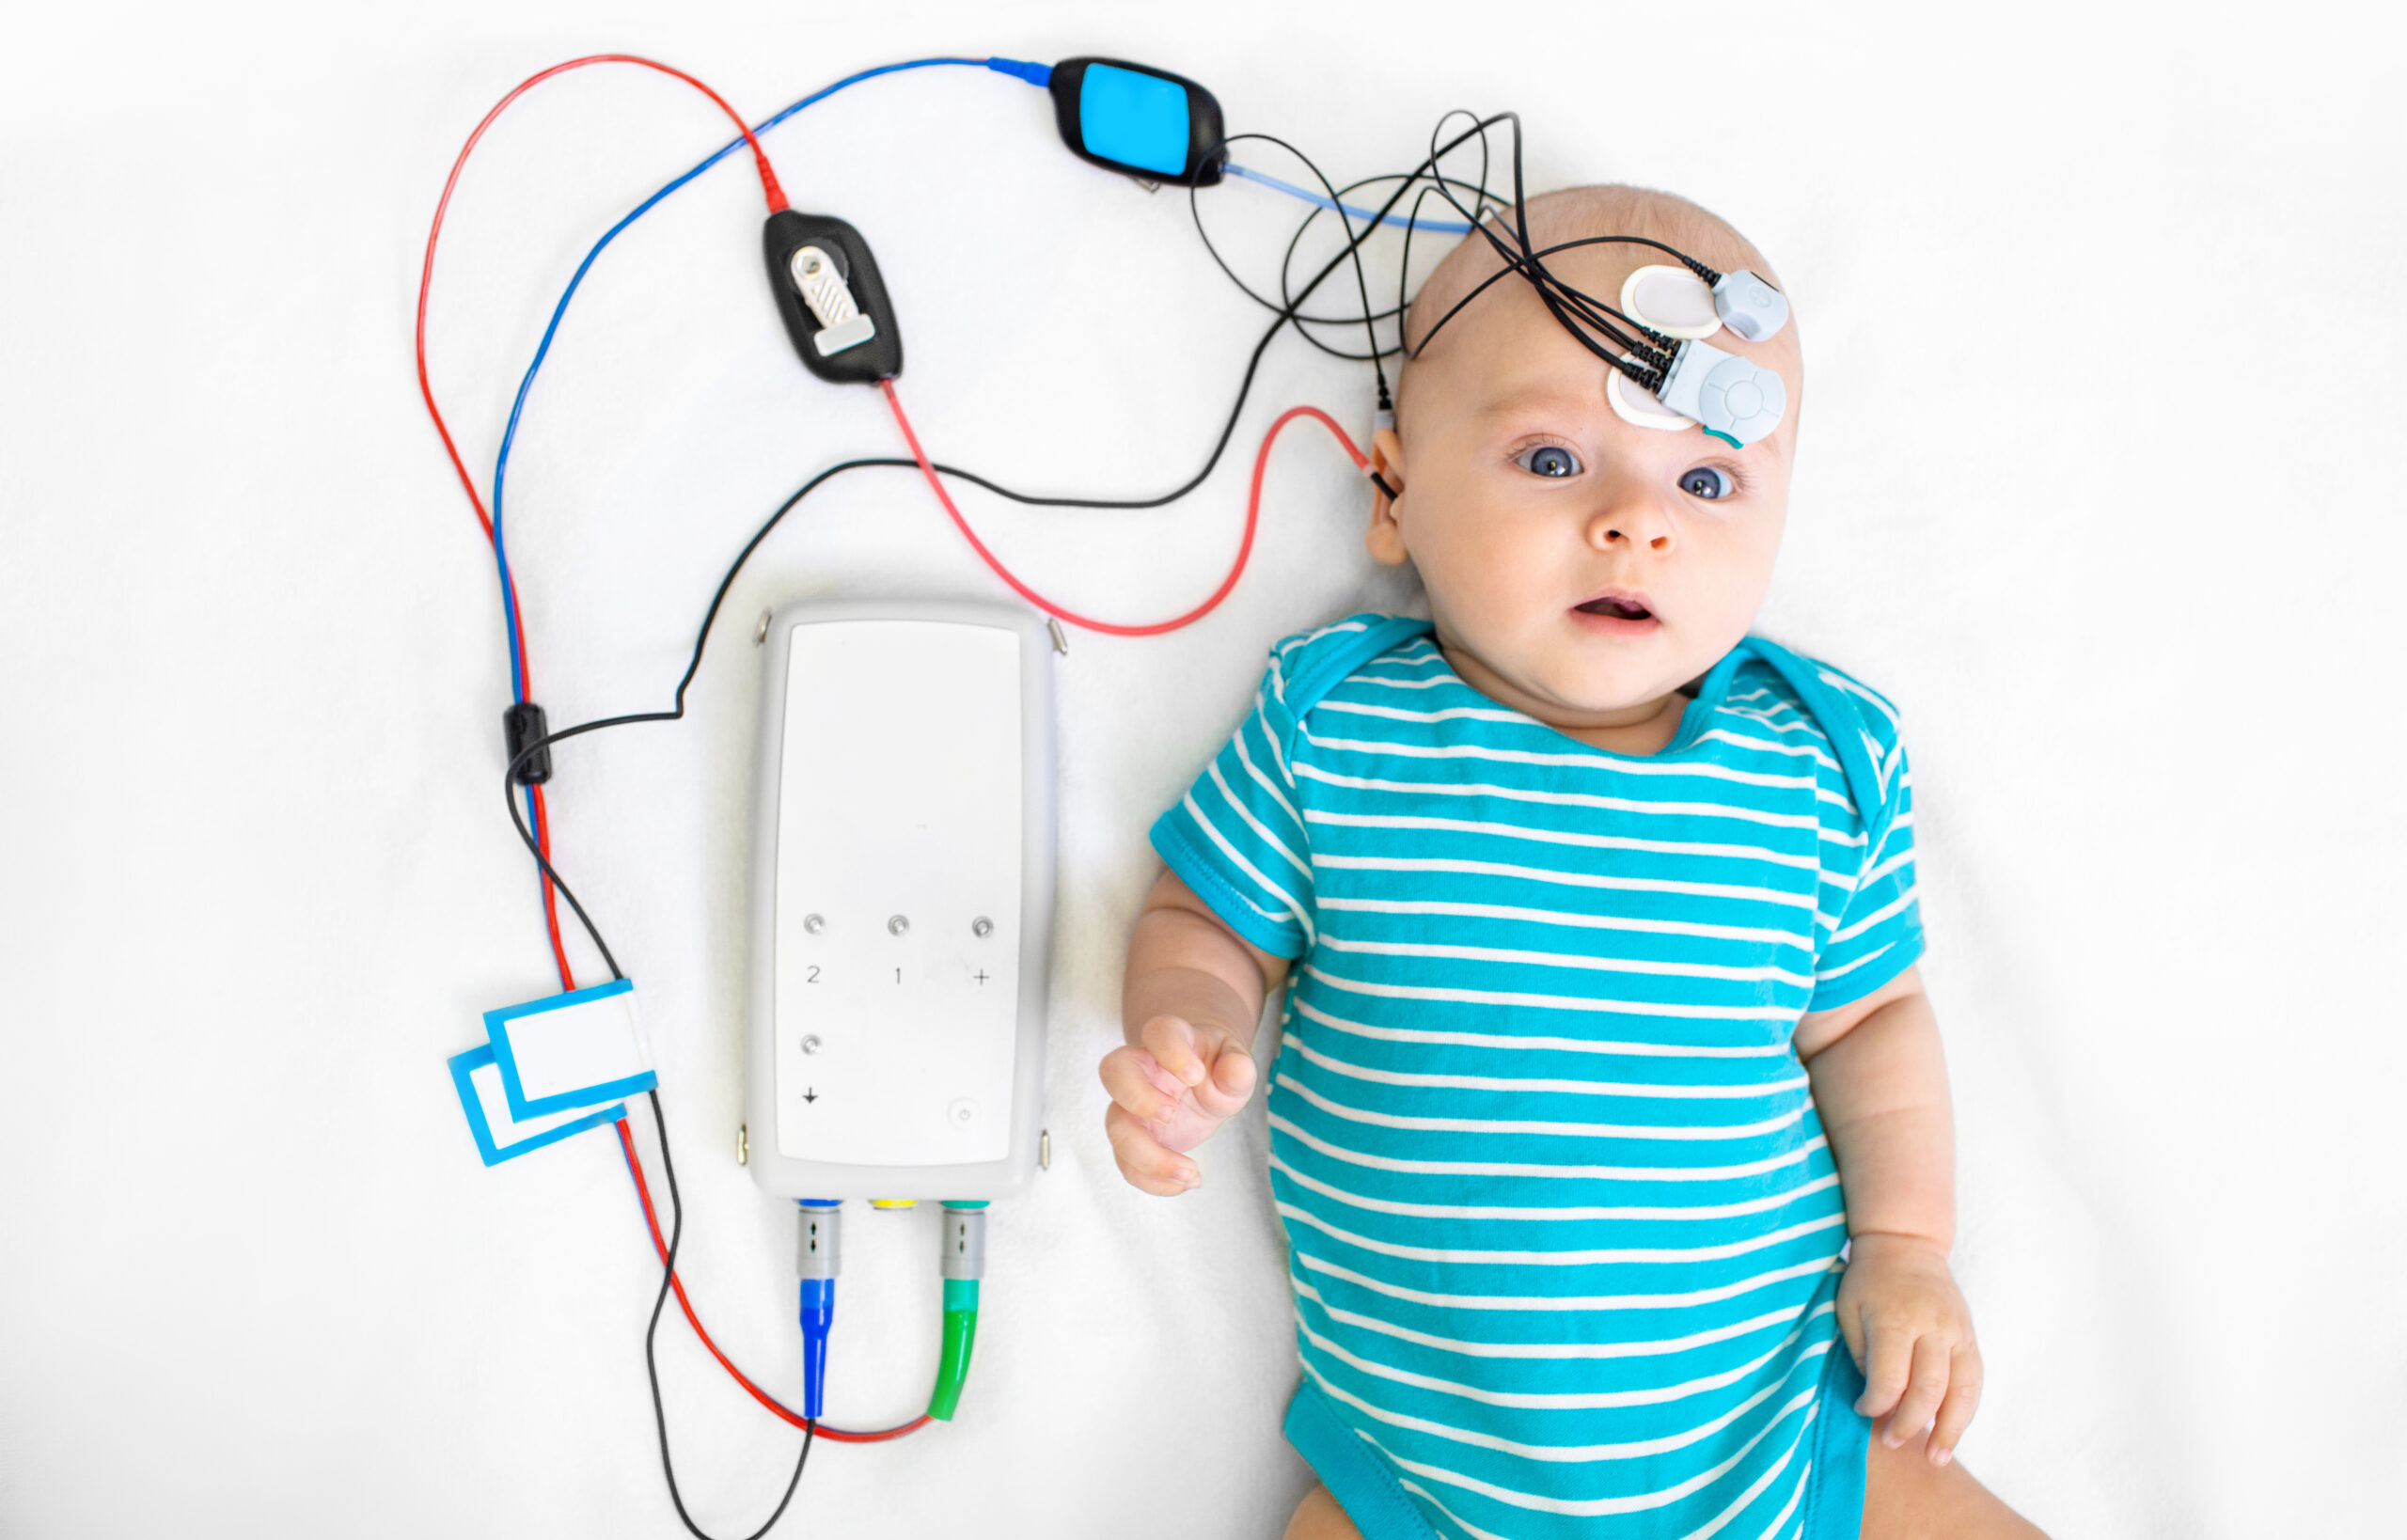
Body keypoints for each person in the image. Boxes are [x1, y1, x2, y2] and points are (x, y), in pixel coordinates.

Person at [1099, 184, 2048, 1539]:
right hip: (1422, 1480)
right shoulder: (1336, 729)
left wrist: (1906, 1248)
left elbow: (1873, 1023)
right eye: (1552, 460)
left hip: (1779, 1441)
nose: (1635, 520)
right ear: (1394, 494)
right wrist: (1186, 1028)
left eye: (1707, 481)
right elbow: (1206, 919)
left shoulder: (1819, 760)